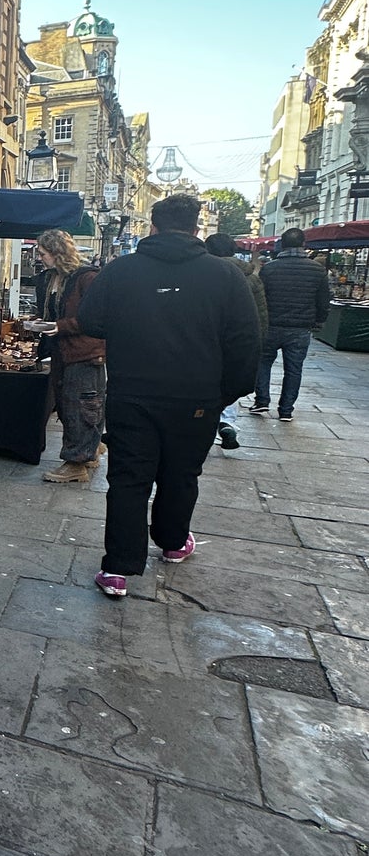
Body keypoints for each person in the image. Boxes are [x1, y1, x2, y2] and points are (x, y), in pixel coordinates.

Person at [73, 195, 261, 599]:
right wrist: (225, 394)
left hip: (133, 394)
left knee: (128, 478)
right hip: (196, 398)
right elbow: (247, 342)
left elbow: (90, 320)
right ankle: (173, 542)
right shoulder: (226, 276)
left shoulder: (121, 271)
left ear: (153, 226)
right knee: (181, 474)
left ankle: (118, 569)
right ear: (197, 227)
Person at [29, 229, 105, 482]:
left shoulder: (87, 278)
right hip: (63, 351)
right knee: (68, 403)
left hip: (85, 353)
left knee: (81, 405)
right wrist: (40, 322)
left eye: (43, 253)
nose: (40, 258)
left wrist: (60, 326)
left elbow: (96, 318)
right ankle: (88, 451)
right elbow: (55, 311)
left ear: (57, 252)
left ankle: (76, 463)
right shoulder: (53, 278)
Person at [254, 228, 329, 419]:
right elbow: (323, 300)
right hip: (300, 328)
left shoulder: (269, 268)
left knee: (263, 363)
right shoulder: (317, 269)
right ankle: (286, 410)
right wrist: (319, 320)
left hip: (271, 325)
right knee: (294, 369)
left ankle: (262, 401)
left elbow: (261, 298)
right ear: (303, 245)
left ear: (283, 245)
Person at [204, 232, 268, 448]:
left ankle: (207, 419)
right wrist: (258, 341)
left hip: (207, 340)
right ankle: (227, 420)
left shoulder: (202, 274)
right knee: (231, 380)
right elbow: (260, 314)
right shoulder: (251, 277)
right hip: (238, 340)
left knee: (207, 381)